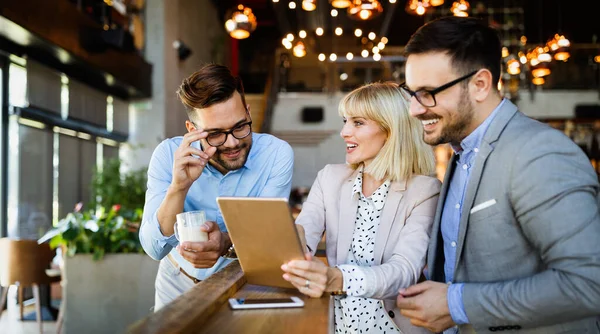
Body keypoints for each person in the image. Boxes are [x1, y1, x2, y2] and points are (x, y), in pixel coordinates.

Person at [396, 16, 600, 334]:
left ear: (480, 85)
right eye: (411, 92)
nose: (415, 109)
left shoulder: (539, 152)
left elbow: (589, 283)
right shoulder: (461, 152)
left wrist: (457, 304)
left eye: (428, 93)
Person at [281, 82, 441, 333]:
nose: (344, 132)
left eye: (357, 123)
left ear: (391, 130)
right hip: (338, 326)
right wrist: (291, 241)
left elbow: (404, 271)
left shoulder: (425, 191)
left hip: (393, 327)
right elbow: (304, 233)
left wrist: (339, 278)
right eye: (346, 121)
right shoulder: (329, 178)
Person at [139, 64, 294, 310]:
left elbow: (266, 236)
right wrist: (180, 186)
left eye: (240, 126)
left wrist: (225, 242)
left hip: (243, 281)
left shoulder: (276, 154)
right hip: (177, 282)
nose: (232, 143)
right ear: (193, 130)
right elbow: (154, 248)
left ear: (248, 112)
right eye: (215, 134)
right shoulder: (168, 155)